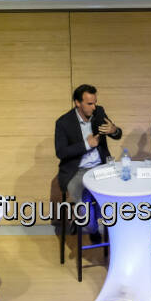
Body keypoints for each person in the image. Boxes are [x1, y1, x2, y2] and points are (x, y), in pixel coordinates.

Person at [54, 83, 122, 221]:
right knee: (86, 213)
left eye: (95, 103)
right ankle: (91, 227)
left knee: (115, 199)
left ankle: (105, 224)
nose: (94, 107)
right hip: (77, 171)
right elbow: (61, 152)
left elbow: (117, 134)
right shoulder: (63, 122)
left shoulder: (99, 112)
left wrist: (114, 130)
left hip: (100, 167)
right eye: (89, 103)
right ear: (77, 103)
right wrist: (86, 144)